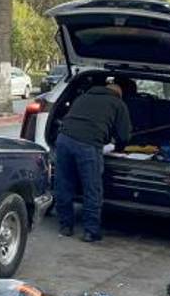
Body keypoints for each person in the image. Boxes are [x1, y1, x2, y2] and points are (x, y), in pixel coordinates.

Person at [53, 78, 132, 242]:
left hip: (63, 140)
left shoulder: (82, 97)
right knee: (92, 188)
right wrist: (118, 147)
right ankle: (91, 231)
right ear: (119, 94)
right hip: (88, 144)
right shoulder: (118, 103)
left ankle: (65, 226)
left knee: (63, 184)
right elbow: (124, 135)